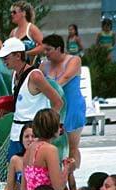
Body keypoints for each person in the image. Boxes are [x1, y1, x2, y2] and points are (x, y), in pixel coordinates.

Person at [0, 37, 63, 161]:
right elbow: (24, 103)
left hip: (34, 135)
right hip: (16, 134)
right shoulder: (15, 74)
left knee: (34, 174)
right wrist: (5, 111)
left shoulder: (35, 76)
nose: (3, 60)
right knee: (15, 173)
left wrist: (48, 129)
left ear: (17, 56)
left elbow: (58, 102)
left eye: (6, 57)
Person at [19, 109, 69, 190]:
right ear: (53, 127)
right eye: (59, 125)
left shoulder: (30, 149)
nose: (60, 128)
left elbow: (24, 188)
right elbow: (58, 187)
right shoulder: (50, 150)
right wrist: (67, 168)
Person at [40, 34, 86, 169]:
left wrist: (48, 89)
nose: (45, 53)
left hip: (72, 107)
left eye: (48, 50)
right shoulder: (44, 66)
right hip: (56, 108)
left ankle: (71, 177)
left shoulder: (74, 60)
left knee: (72, 146)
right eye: (44, 50)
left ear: (59, 48)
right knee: (54, 144)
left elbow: (65, 78)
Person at [9, 1, 43, 66]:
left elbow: (43, 46)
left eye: (14, 12)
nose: (12, 14)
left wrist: (27, 53)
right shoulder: (13, 32)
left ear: (23, 13)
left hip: (32, 68)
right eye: (11, 12)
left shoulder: (31, 29)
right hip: (17, 70)